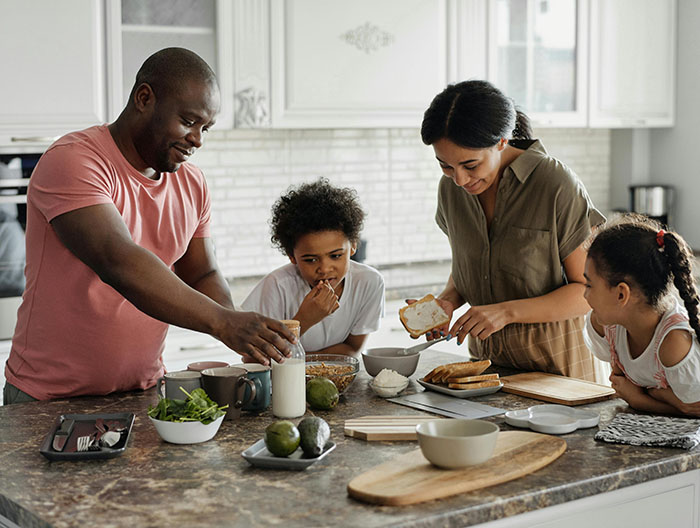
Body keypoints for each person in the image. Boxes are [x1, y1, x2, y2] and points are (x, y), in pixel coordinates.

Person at [3, 48, 294, 404]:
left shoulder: (192, 182)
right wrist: (223, 322)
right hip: (48, 398)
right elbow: (118, 260)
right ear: (144, 98)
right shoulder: (73, 160)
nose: (198, 139)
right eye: (189, 121)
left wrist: (240, 330)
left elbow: (202, 272)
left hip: (143, 391)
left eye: (206, 128)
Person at [416, 80, 605, 381]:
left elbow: (589, 292)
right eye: (446, 166)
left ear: (502, 141)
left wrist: (505, 312)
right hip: (486, 374)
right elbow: (472, 267)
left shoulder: (554, 184)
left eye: (471, 165)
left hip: (560, 375)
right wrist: (447, 302)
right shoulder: (450, 191)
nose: (460, 180)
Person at [241, 178, 384, 357]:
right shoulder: (277, 286)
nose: (324, 269)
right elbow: (254, 358)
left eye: (336, 256)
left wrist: (302, 362)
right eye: (310, 260)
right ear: (292, 256)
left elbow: (352, 348)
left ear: (353, 246)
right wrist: (304, 320)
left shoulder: (369, 282)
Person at [583, 214, 700, 416]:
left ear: (621, 294)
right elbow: (621, 384)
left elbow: (694, 411)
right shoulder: (607, 324)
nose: (585, 294)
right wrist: (663, 396)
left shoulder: (674, 343)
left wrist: (640, 399)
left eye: (589, 284)